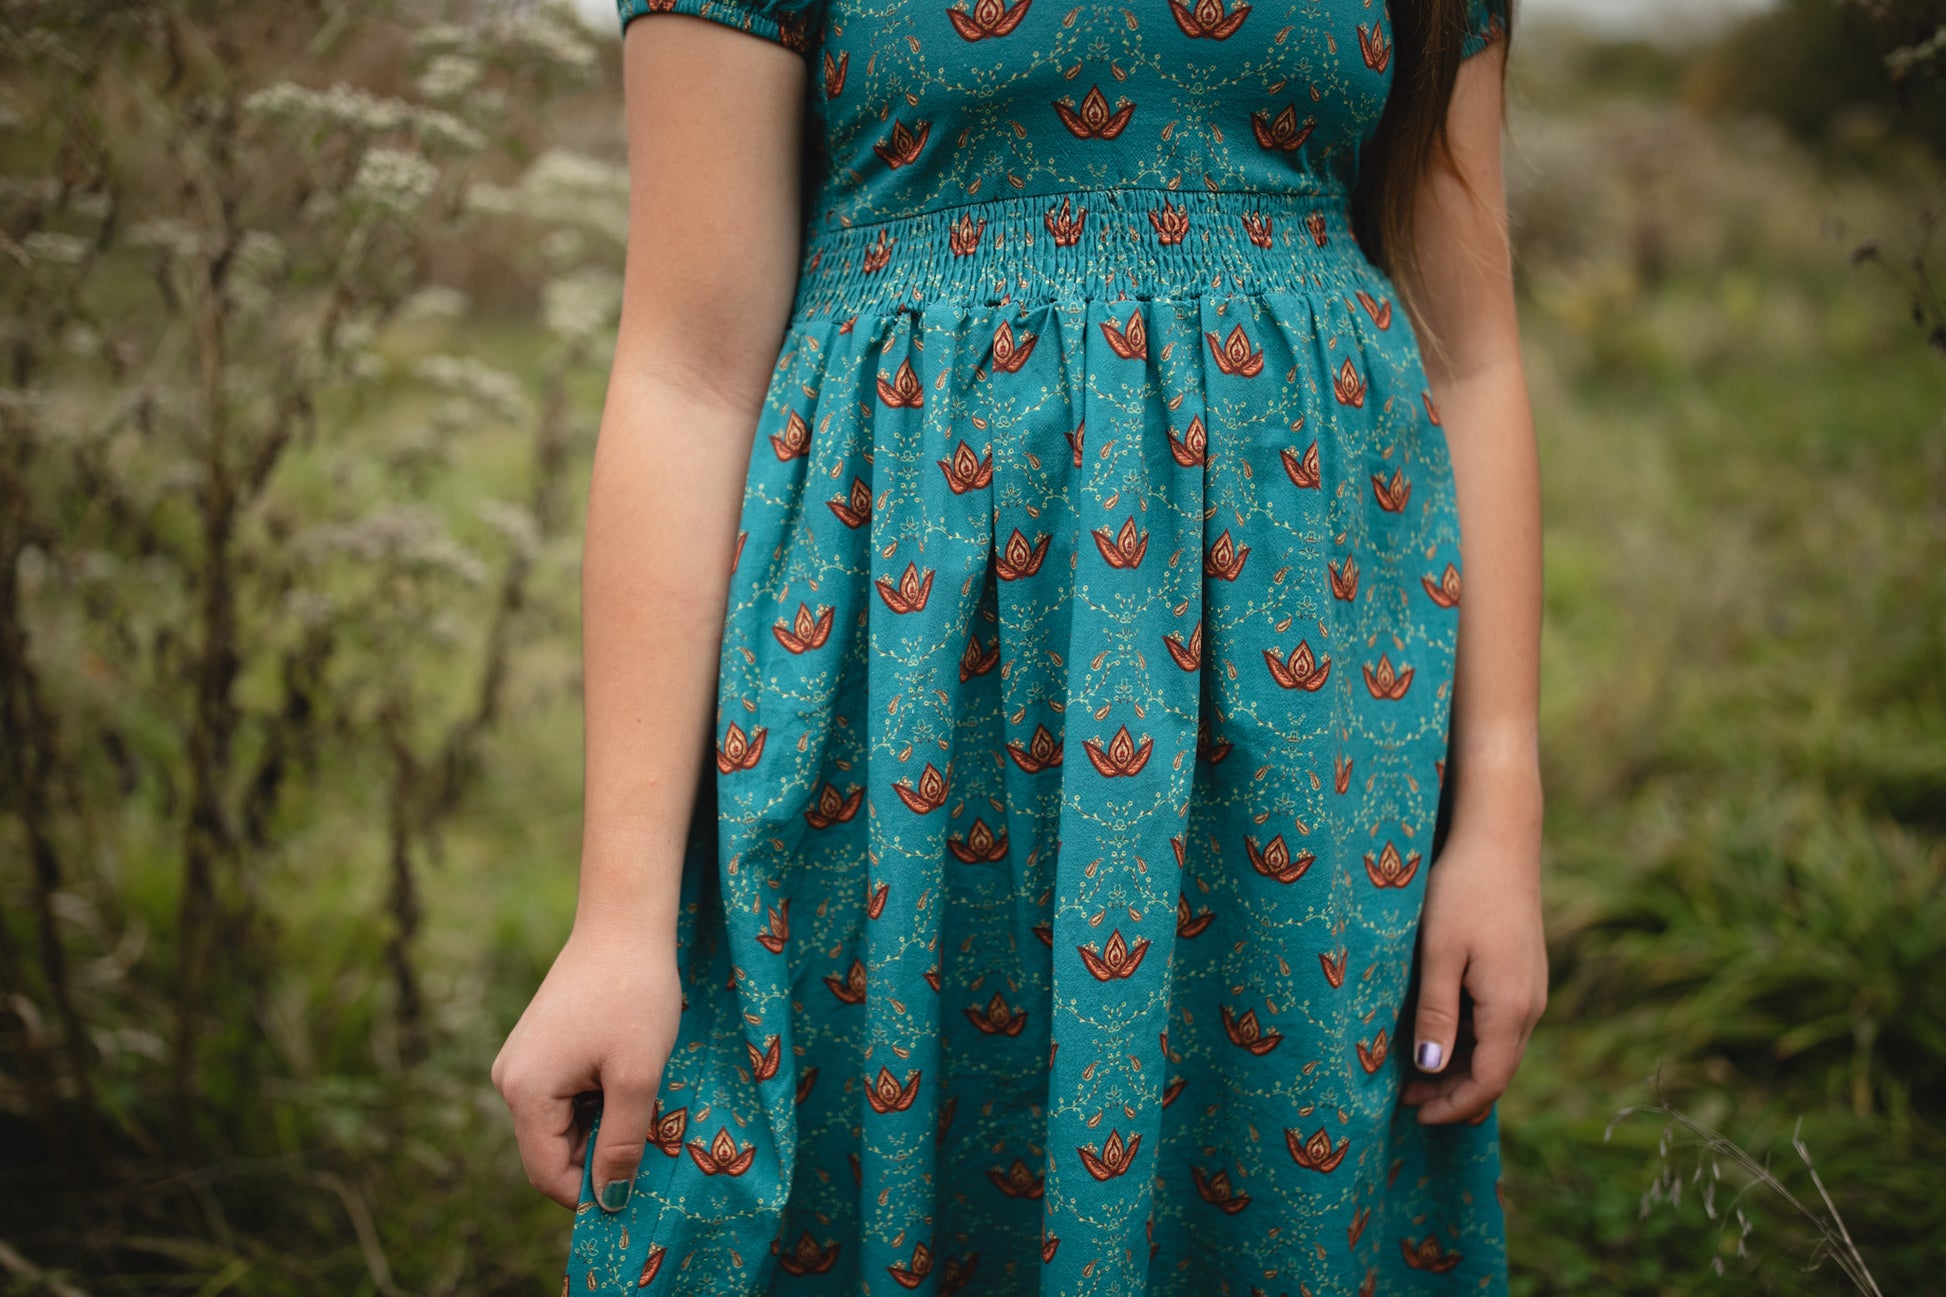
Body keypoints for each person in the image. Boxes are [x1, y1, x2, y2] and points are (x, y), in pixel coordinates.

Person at [491, 0, 1546, 1291]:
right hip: (899, 708)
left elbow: (1468, 356)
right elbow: (687, 371)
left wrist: (1501, 814)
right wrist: (619, 920)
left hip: (1304, 719)